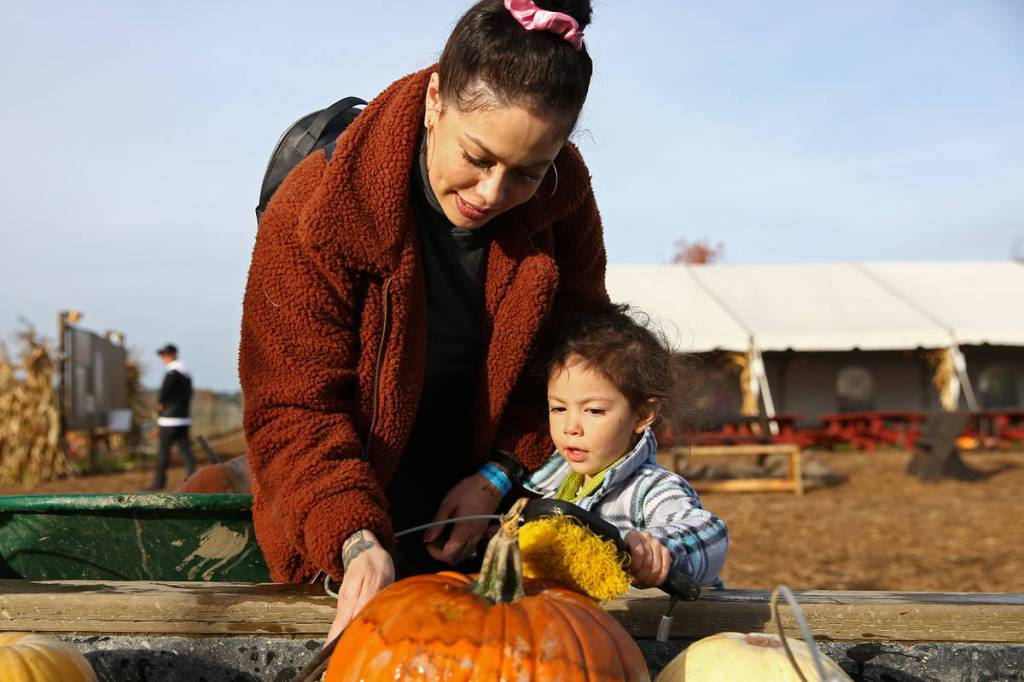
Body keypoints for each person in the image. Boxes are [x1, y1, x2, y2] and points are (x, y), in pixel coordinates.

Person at [239, 0, 608, 639]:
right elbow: (292, 410)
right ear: (436, 100)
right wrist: (353, 538)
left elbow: (571, 365)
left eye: (526, 172)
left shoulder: (564, 207)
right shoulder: (317, 209)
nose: (491, 193)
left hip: (490, 510)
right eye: (478, 156)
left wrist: (497, 476)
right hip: (346, 499)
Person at [524, 304, 729, 588]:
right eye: (558, 408)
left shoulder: (649, 489)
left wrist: (661, 548)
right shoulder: (547, 485)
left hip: (652, 629)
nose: (571, 426)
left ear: (643, 415)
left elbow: (709, 532)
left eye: (594, 411)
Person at [149, 343, 195, 490]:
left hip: (168, 421)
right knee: (186, 452)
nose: (163, 358)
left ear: (173, 354)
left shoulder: (171, 374)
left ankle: (159, 483)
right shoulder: (187, 374)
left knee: (163, 453)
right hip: (184, 418)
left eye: (165, 355)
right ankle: (193, 480)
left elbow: (162, 398)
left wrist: (158, 411)